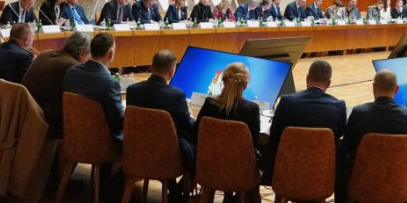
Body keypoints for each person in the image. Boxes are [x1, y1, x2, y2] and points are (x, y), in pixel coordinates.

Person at [263, 60, 346, 185]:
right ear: (329, 83)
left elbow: (274, 137)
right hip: (320, 175)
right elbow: (337, 137)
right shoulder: (339, 106)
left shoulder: (286, 102)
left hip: (286, 173)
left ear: (307, 78)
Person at [126, 49, 196, 198]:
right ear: (172, 72)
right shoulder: (176, 95)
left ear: (151, 66)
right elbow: (189, 126)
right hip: (167, 158)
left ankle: (175, 191)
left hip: (136, 152)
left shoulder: (132, 90)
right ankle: (178, 193)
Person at [342, 70, 407, 201]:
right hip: (398, 184)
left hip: (363, 184)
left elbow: (346, 145)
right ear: (397, 89)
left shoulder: (359, 113)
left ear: (374, 87)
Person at [195, 61, 262, 196]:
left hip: (208, 166)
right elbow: (253, 143)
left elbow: (196, 133)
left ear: (223, 81)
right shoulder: (252, 109)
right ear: (245, 85)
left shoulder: (209, 104)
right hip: (239, 170)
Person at [22, 31, 91, 138]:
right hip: (44, 120)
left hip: (26, 112)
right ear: (82, 54)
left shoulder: (45, 54)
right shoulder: (72, 66)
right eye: (89, 55)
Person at [63, 32, 123, 141]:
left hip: (73, 136)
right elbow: (118, 122)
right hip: (100, 141)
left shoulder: (71, 72)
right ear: (111, 54)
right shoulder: (110, 83)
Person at [0, 22, 35, 87]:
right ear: (27, 39)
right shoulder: (25, 56)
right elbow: (32, 82)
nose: (33, 41)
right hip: (3, 92)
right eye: (33, 37)